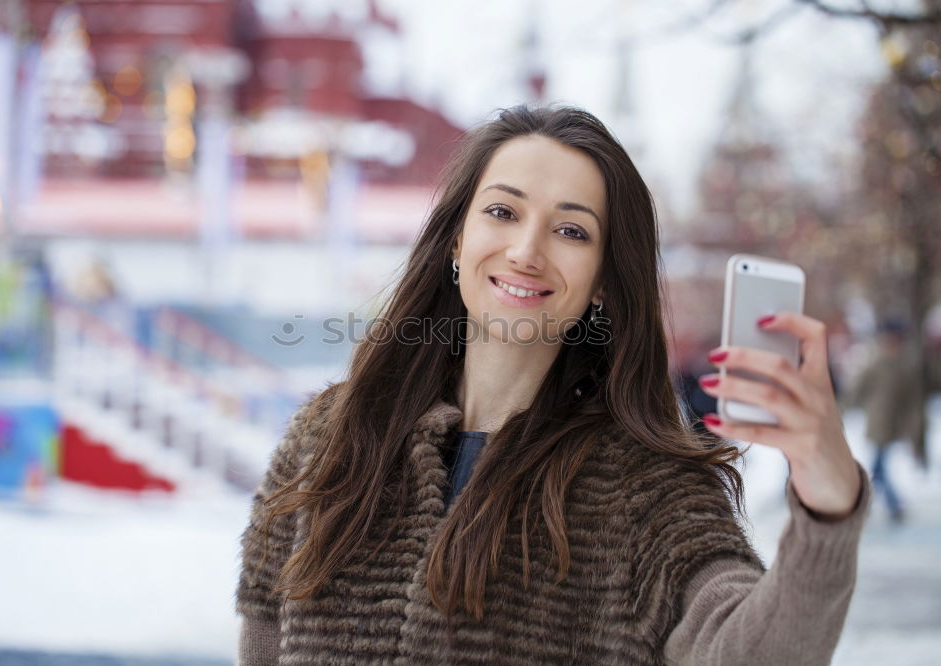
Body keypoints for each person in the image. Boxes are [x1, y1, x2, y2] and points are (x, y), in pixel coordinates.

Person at [235, 105, 868, 665]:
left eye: (571, 230)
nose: (526, 251)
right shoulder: (329, 440)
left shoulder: (647, 486)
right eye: (503, 212)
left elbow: (749, 653)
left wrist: (829, 497)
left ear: (600, 279)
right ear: (459, 237)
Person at [844, 317, 920, 523]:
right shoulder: (876, 362)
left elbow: (912, 403)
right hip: (877, 423)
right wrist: (844, 405)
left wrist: (914, 432)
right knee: (878, 467)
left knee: (878, 468)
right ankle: (885, 505)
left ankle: (875, 505)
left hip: (892, 425)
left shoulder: (906, 366)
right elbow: (858, 388)